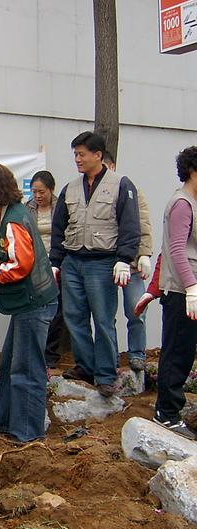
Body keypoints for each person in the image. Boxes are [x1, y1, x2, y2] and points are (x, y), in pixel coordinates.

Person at [0, 163, 58, 443]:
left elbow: (21, 263)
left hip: (35, 300)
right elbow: (0, 251)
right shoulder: (3, 213)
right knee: (8, 364)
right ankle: (4, 419)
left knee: (27, 368)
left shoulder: (16, 217)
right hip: (24, 303)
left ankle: (27, 431)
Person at [50, 131, 140, 397]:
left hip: (103, 262)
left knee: (102, 319)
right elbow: (59, 227)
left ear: (98, 155)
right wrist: (56, 261)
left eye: (82, 154)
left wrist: (124, 259)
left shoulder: (121, 185)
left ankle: (105, 374)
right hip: (73, 260)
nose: (77, 159)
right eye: (75, 154)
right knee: (74, 317)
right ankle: (85, 366)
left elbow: (130, 226)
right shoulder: (71, 188)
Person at [149, 147, 197, 439]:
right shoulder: (182, 204)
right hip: (182, 291)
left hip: (192, 289)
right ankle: (166, 413)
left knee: (187, 350)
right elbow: (177, 250)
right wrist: (191, 287)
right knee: (177, 350)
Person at [102, 150, 153, 372]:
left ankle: (137, 353)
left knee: (136, 309)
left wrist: (144, 255)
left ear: (112, 166)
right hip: (105, 262)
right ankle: (110, 356)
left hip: (130, 263)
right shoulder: (91, 195)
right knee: (106, 315)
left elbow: (143, 225)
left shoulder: (131, 190)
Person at [26, 170, 69, 369]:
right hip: (34, 266)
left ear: (51, 190)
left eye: (41, 192)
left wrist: (56, 261)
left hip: (56, 263)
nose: (38, 196)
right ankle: (34, 350)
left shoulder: (62, 206)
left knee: (56, 310)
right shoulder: (27, 208)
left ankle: (50, 353)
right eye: (34, 192)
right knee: (34, 309)